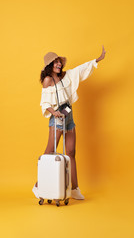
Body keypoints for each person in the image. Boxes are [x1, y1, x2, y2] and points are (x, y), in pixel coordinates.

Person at [32, 46, 106, 199]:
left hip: (68, 115)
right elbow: (44, 103)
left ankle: (74, 189)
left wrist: (97, 59)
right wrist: (55, 113)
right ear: (49, 66)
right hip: (57, 116)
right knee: (49, 151)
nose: (58, 64)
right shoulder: (48, 80)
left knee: (71, 152)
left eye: (59, 61)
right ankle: (38, 185)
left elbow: (81, 69)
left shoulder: (66, 76)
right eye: (55, 63)